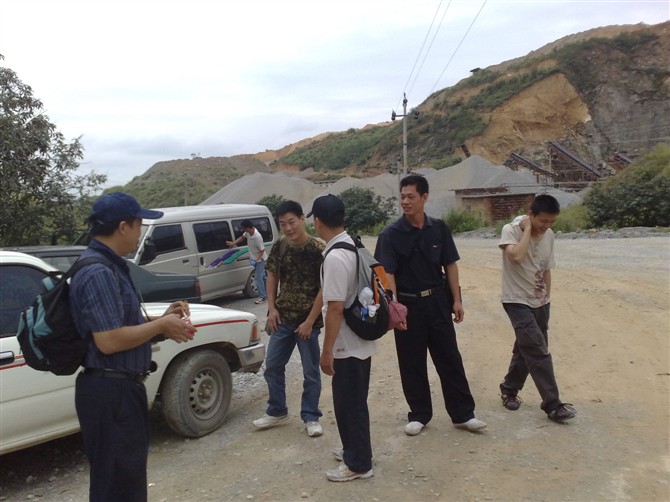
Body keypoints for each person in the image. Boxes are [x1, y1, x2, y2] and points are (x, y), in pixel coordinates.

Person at [70, 192, 196, 502]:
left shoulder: (110, 266)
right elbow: (108, 340)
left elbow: (119, 326)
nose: (141, 233)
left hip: (119, 391)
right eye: (139, 225)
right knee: (116, 486)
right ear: (123, 226)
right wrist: (160, 327)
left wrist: (162, 321)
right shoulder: (99, 272)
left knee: (127, 480)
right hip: (110, 394)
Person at [374, 175, 486, 437]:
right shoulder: (390, 234)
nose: (405, 201)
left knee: (450, 358)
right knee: (411, 362)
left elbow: (450, 264)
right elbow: (387, 274)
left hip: (437, 302)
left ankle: (463, 414)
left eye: (411, 196)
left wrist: (457, 299)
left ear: (424, 197)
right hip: (408, 305)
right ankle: (419, 414)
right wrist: (394, 307)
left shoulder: (439, 228)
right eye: (402, 196)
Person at [310, 194, 376, 482]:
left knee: (349, 405)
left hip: (347, 344)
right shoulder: (352, 244)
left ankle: (359, 464)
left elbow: (335, 308)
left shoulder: (336, 257)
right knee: (354, 401)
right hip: (359, 339)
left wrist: (327, 351)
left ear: (317, 221)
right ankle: (354, 450)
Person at [498, 194, 576, 422]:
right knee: (537, 350)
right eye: (543, 221)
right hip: (516, 300)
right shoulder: (511, 230)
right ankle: (553, 405)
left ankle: (509, 389)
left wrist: (546, 298)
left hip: (540, 302)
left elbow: (546, 269)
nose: (547, 226)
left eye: (552, 221)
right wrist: (526, 230)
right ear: (530, 215)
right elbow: (516, 256)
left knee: (526, 347)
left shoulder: (549, 235)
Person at [252, 200, 325, 437]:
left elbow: (325, 288)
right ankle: (277, 410)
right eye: (283, 224)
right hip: (282, 319)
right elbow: (272, 275)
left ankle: (311, 416)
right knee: (272, 366)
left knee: (311, 372)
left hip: (307, 323)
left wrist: (310, 321)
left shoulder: (318, 248)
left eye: (291, 222)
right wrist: (272, 308)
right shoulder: (280, 245)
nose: (288, 228)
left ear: (302, 219)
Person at [226, 219, 268, 304]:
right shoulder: (248, 233)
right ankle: (269, 292)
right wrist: (234, 243)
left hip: (260, 260)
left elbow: (262, 250)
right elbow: (242, 237)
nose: (243, 230)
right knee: (263, 277)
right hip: (255, 259)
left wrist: (256, 259)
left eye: (244, 228)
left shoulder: (257, 237)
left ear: (248, 227)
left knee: (258, 278)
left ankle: (262, 297)